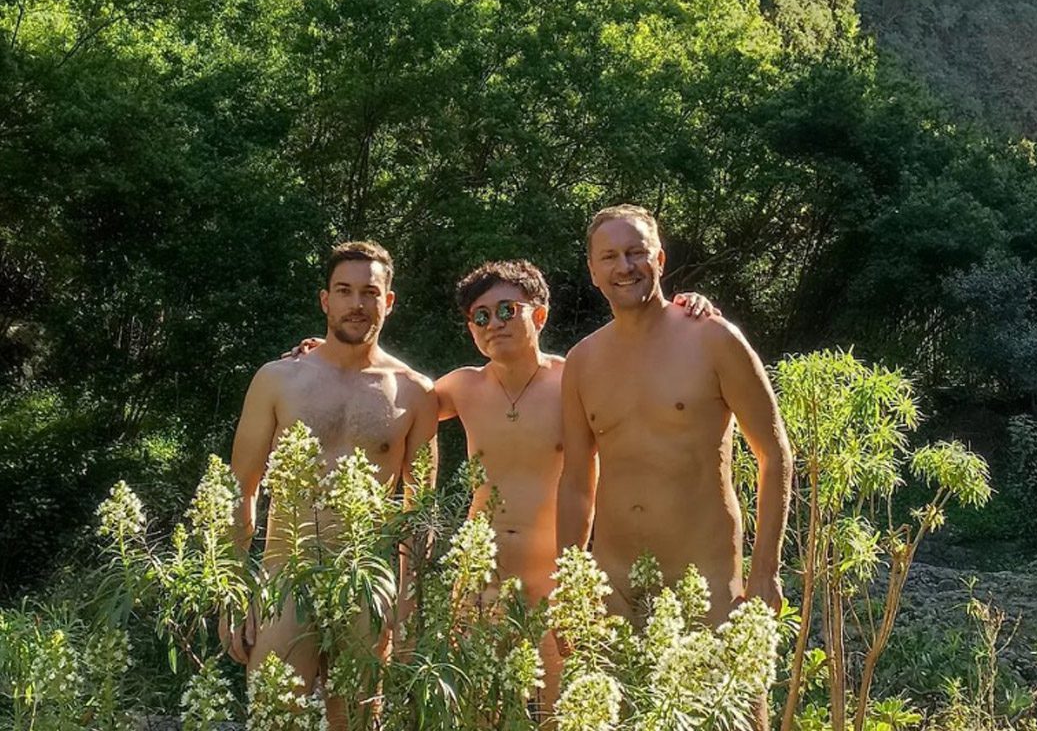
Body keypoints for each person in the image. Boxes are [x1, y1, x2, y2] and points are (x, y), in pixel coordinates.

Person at [288, 259, 716, 716]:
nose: (494, 323)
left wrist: (683, 316)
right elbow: (395, 393)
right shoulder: (462, 388)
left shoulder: (576, 378)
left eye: (507, 310)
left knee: (562, 717)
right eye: (481, 316)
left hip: (557, 588)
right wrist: (335, 358)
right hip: (478, 590)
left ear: (540, 315)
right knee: (478, 718)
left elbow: (644, 368)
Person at [221, 241, 439, 729]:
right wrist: (234, 589)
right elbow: (243, 487)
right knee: (274, 719)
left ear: (389, 301)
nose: (356, 304)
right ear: (325, 300)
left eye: (369, 292)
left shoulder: (415, 391)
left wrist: (408, 606)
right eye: (344, 290)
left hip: (366, 583)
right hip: (284, 577)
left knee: (360, 723)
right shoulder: (278, 379)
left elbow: (418, 513)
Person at [556, 204, 793, 630]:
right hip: (617, 586)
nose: (624, 266)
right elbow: (576, 482)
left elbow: (774, 455)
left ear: (660, 259)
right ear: (592, 270)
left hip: (705, 581)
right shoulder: (581, 362)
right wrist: (570, 587)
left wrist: (765, 572)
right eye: (609, 257)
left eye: (636, 252)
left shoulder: (712, 338)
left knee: (729, 698)